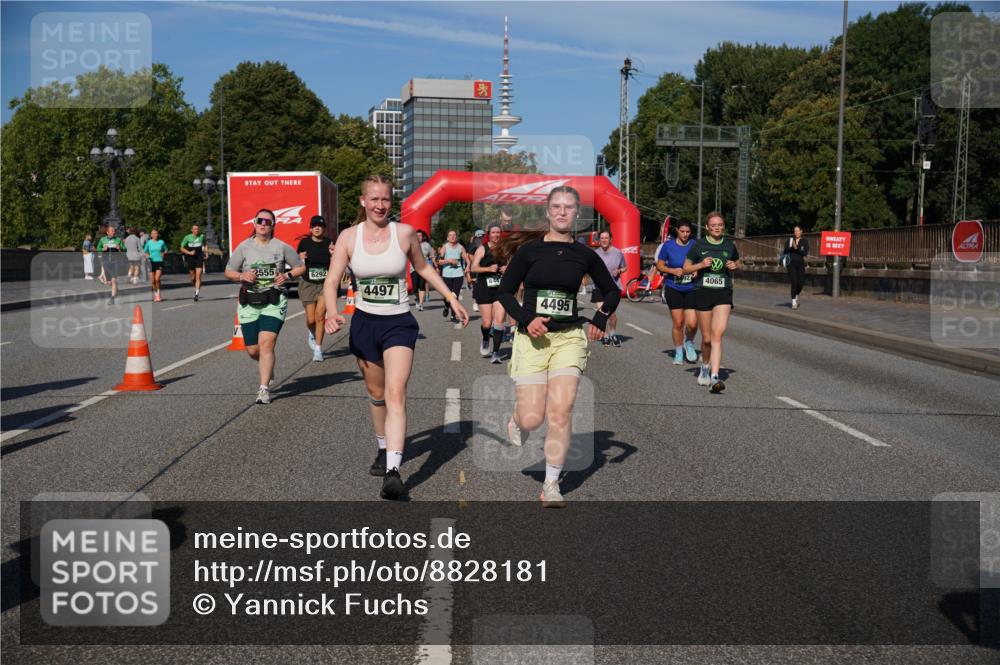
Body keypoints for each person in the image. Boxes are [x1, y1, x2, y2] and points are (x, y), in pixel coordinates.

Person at [323, 175, 469, 500]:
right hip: (365, 323)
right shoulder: (349, 237)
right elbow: (332, 280)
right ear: (363, 201)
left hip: (398, 323)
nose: (380, 205)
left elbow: (424, 268)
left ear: (392, 201)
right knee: (377, 395)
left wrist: (451, 297)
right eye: (374, 199)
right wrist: (332, 312)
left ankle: (393, 471)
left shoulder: (404, 233)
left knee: (396, 392)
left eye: (386, 199)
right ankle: (382, 446)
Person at [496, 186, 620, 508]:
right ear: (548, 212)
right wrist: (527, 319)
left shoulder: (585, 255)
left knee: (561, 411)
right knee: (532, 417)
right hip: (532, 339)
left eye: (568, 207)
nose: (562, 212)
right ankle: (517, 420)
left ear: (576, 213)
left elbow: (612, 291)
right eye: (557, 207)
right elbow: (505, 292)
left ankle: (551, 485)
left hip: (569, 339)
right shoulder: (530, 252)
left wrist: (600, 317)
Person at [224, 209, 305, 405]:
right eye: (260, 220)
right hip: (249, 300)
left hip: (274, 300)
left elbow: (301, 267)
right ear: (254, 223)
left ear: (273, 225)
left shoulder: (281, 247)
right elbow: (228, 271)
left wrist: (287, 276)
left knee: (267, 343)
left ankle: (264, 389)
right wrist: (241, 276)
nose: (263, 224)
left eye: (267, 221)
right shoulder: (244, 247)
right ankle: (267, 367)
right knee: (253, 350)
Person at [682, 212, 740, 394]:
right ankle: (705, 367)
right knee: (706, 339)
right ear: (707, 227)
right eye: (713, 225)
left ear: (723, 227)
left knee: (718, 335)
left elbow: (737, 261)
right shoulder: (699, 245)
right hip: (703, 292)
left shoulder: (729, 245)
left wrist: (735, 265)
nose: (717, 227)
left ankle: (715, 377)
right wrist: (700, 265)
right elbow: (685, 268)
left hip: (723, 292)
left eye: (720, 225)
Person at [656, 219, 699, 364]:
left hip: (691, 288)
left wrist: (697, 271)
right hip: (673, 287)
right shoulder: (668, 246)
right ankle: (679, 352)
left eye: (688, 232)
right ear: (677, 231)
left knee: (692, 324)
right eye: (682, 231)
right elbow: (660, 266)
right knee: (679, 323)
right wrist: (672, 270)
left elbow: (701, 263)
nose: (685, 234)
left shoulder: (694, 244)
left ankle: (689, 342)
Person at [297, 215, 335, 362]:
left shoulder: (329, 243)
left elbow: (334, 264)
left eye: (320, 225)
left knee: (320, 316)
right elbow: (299, 263)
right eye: (314, 226)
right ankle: (311, 333)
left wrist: (333, 254)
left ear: (324, 228)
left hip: (325, 284)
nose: (317, 228)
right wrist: (301, 258)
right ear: (310, 228)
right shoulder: (304, 243)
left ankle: (318, 349)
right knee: (311, 319)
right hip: (308, 283)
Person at [470, 223, 508, 363]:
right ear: (489, 234)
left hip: (500, 287)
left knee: (499, 320)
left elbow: (512, 263)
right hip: (484, 287)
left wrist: (507, 267)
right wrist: (488, 269)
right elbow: (474, 268)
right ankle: (486, 339)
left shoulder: (505, 248)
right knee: (487, 323)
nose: (496, 235)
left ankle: (496, 352)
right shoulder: (482, 249)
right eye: (493, 233)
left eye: (498, 233)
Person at [591, 230, 627, 347]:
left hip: (613, 288)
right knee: (602, 313)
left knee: (612, 315)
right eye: (602, 238)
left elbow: (624, 267)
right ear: (599, 240)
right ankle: (605, 336)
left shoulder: (618, 253)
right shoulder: (595, 254)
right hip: (598, 288)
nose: (604, 240)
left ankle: (612, 335)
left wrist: (619, 270)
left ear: (611, 239)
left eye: (606, 238)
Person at [437, 229, 469, 323]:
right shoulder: (445, 247)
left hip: (458, 274)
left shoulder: (461, 247)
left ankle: (453, 315)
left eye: (454, 235)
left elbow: (467, 260)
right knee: (447, 295)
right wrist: (449, 260)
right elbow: (439, 261)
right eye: (450, 235)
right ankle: (447, 306)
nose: (452, 236)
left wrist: (468, 266)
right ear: (447, 238)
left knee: (455, 295)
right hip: (447, 274)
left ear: (456, 237)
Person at [96, 225, 128, 304]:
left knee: (113, 280)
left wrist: (120, 248)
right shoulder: (103, 239)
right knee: (109, 282)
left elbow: (125, 248)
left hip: (115, 262)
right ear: (107, 232)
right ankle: (116, 289)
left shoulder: (118, 240)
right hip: (106, 262)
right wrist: (102, 249)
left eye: (114, 231)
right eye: (112, 231)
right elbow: (98, 248)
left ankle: (112, 298)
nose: (114, 232)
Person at [783, 225, 809, 310]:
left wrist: (796, 248)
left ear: (801, 231)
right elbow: (785, 251)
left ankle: (796, 295)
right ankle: (794, 302)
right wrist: (790, 247)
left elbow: (804, 253)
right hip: (791, 264)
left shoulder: (804, 241)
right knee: (794, 282)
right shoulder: (790, 240)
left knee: (800, 283)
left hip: (800, 264)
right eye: (795, 231)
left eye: (798, 231)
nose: (796, 232)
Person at [180, 224, 207, 301]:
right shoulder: (187, 237)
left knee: (198, 277)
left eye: (197, 229)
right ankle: (195, 287)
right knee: (192, 278)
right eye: (195, 229)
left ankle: (196, 294)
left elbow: (205, 244)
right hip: (190, 258)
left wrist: (206, 253)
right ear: (192, 230)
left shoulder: (201, 236)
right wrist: (189, 253)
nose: (196, 230)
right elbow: (181, 248)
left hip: (199, 258)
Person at [410, 229, 435, 310]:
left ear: (423, 237)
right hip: (413, 268)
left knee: (422, 285)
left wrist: (435, 265)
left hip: (424, 268)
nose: (418, 237)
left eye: (420, 235)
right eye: (417, 236)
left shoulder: (427, 245)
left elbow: (432, 255)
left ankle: (421, 304)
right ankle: (417, 298)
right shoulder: (411, 244)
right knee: (414, 288)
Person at [143, 229, 167, 301]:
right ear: (151, 235)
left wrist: (163, 253)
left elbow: (166, 249)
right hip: (150, 262)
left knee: (157, 279)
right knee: (153, 280)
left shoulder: (161, 242)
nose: (155, 235)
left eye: (156, 233)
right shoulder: (149, 242)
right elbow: (144, 251)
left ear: (158, 234)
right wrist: (147, 255)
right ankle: (155, 294)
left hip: (159, 261)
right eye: (153, 233)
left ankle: (158, 294)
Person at [467, 229, 485, 312]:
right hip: (476, 268)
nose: (482, 237)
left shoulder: (485, 243)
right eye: (481, 236)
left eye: (483, 236)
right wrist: (476, 262)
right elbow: (470, 255)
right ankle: (475, 303)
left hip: (485, 267)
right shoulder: (474, 244)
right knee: (476, 285)